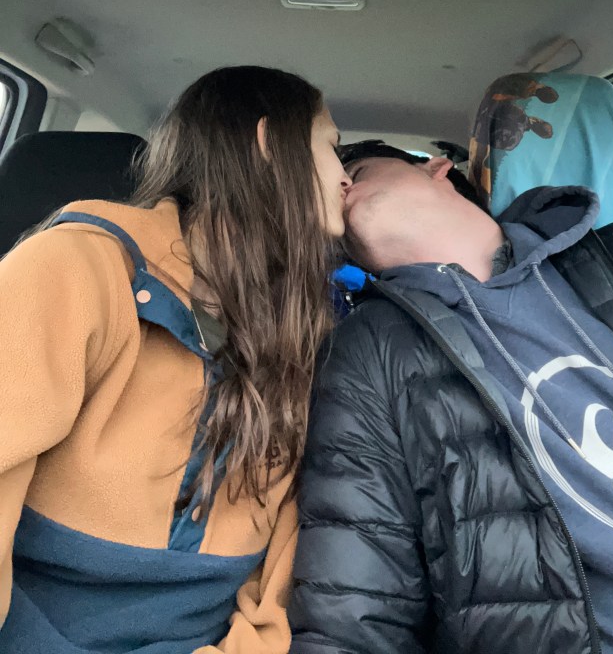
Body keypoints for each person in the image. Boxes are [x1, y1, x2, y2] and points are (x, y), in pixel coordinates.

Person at [289, 139, 613, 654]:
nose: (340, 182)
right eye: (329, 184)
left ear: (436, 169)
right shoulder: (364, 353)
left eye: (358, 169)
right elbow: (354, 600)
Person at [0, 65, 351, 654]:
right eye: (333, 148)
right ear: (270, 143)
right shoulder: (73, 268)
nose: (345, 176)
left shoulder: (305, 332)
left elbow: (279, 579)